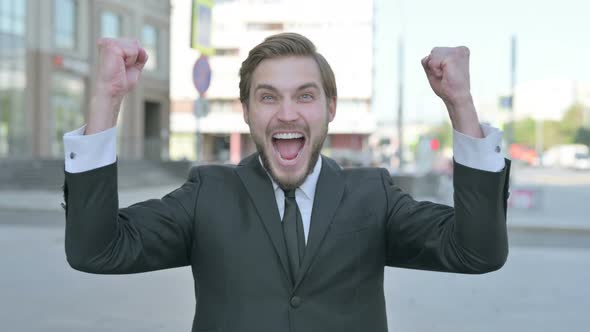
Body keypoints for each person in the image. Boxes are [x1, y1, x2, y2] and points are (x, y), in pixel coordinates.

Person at [63, 33, 510, 332]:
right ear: (246, 111)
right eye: (268, 96)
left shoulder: (374, 194)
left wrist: (461, 105)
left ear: (330, 108)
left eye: (305, 95)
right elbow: (97, 250)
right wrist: (107, 99)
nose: (288, 113)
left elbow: (477, 252)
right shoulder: (207, 194)